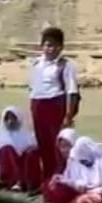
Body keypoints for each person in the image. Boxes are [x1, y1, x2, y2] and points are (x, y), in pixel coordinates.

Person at [29, 27, 80, 181]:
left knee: (58, 144)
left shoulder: (65, 65)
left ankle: (62, 177)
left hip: (55, 104)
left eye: (54, 46)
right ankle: (47, 178)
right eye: (47, 45)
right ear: (42, 46)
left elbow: (72, 91)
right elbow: (34, 87)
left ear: (61, 47)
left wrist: (68, 115)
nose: (50, 49)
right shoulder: (36, 63)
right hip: (38, 105)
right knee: (42, 143)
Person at [0, 106, 42, 192]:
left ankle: (26, 183)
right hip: (9, 172)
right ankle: (13, 181)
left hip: (24, 167)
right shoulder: (0, 136)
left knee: (31, 152)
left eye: (13, 118)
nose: (10, 122)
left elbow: (34, 148)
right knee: (7, 149)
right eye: (7, 119)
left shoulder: (27, 134)